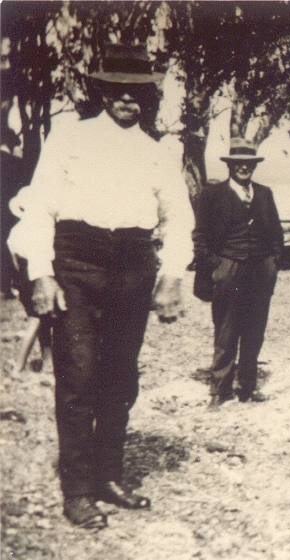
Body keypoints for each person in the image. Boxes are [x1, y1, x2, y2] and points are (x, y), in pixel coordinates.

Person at [6, 44, 193, 529]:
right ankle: (78, 490)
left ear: (146, 98)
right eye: (118, 90)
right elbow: (40, 204)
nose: (128, 100)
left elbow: (178, 216)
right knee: (78, 374)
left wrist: (172, 274)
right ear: (103, 92)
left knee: (121, 376)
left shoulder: (158, 152)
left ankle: (110, 476)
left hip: (133, 264)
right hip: (77, 260)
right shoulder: (71, 137)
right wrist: (41, 272)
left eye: (137, 93)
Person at [193, 138, 284, 408]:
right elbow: (200, 236)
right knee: (226, 330)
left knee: (255, 330)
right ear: (230, 166)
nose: (244, 168)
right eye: (238, 164)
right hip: (228, 267)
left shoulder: (264, 193)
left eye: (249, 164)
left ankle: (247, 387)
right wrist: (216, 264)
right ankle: (219, 391)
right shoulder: (212, 195)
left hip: (261, 269)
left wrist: (273, 261)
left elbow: (276, 232)